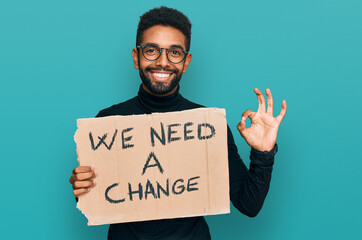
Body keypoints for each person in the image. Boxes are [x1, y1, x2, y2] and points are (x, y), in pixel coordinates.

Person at [69, 6, 287, 240]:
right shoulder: (107, 123)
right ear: (136, 57)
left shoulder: (207, 126)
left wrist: (263, 154)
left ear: (186, 62)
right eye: (151, 50)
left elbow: (249, 205)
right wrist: (82, 186)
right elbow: (98, 195)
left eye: (174, 52)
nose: (162, 62)